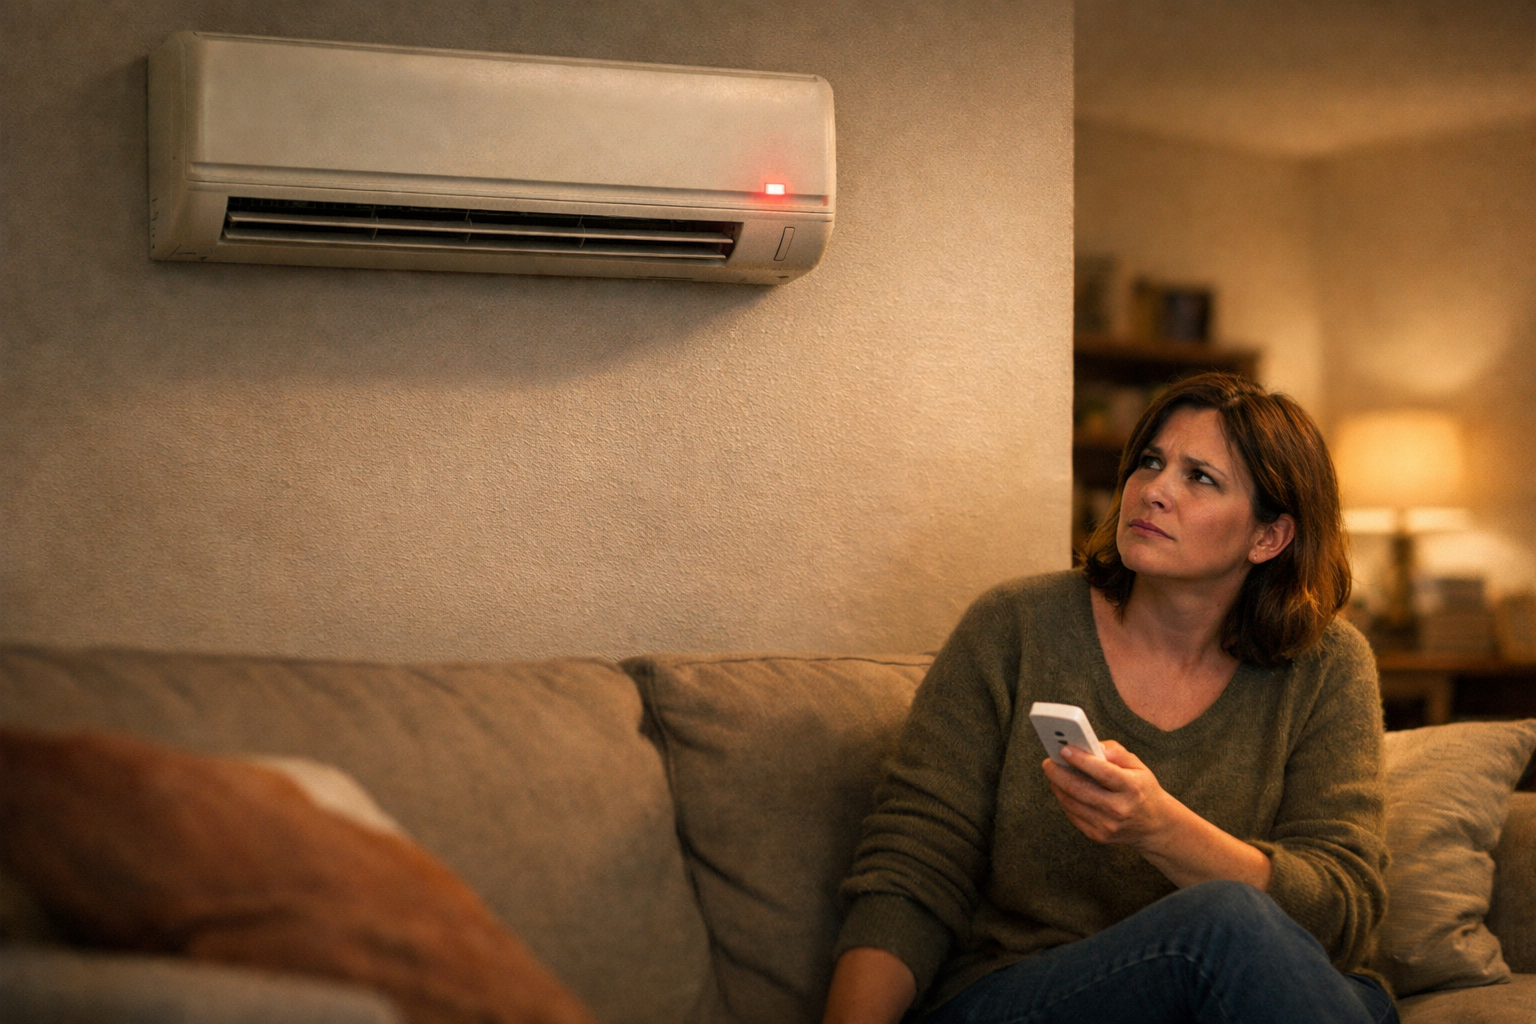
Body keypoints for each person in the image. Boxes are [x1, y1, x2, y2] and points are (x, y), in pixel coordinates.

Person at [822, 373, 1396, 1024]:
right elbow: (913, 870)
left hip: (1229, 1000)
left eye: (1200, 478)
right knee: (1229, 924)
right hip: (1020, 995)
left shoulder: (1326, 666)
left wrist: (1162, 830)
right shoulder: (1015, 626)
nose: (1153, 491)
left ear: (1269, 537)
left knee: (1357, 1000)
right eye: (1150, 463)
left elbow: (1343, 913)